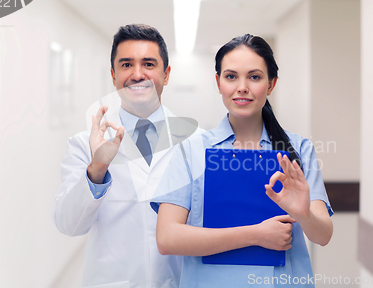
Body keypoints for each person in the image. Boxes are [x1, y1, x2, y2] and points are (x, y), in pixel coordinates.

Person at [151, 34, 334, 287]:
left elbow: (322, 236)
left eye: (255, 77)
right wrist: (256, 235)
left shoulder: (298, 150)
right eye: (231, 76)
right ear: (218, 82)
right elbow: (167, 238)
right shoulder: (191, 151)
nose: (242, 87)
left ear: (271, 85)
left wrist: (303, 214)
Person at [53, 24, 200, 288]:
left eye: (148, 64)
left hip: (180, 281)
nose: (137, 74)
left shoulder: (196, 141)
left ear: (166, 74)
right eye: (126, 64)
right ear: (113, 75)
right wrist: (97, 168)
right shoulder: (83, 144)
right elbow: (69, 224)